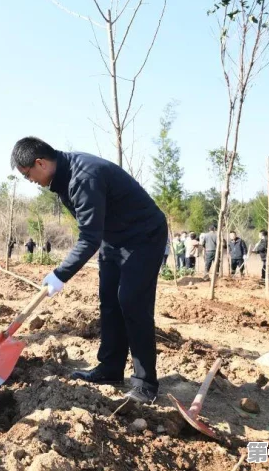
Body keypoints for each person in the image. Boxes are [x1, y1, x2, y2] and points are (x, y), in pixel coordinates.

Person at [11, 137, 167, 403]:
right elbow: (94, 230)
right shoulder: (62, 178)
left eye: (28, 175)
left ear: (40, 163)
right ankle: (109, 369)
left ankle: (145, 384)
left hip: (143, 236)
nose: (31, 181)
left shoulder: (83, 177)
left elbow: (88, 238)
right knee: (109, 301)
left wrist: (61, 274)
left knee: (131, 302)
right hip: (114, 238)